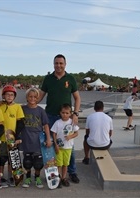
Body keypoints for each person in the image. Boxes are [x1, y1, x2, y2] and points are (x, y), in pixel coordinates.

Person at [38, 54, 81, 184]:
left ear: (65, 64)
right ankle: (53, 173)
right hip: (50, 117)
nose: (58, 65)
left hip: (67, 118)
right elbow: (40, 96)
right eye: (56, 63)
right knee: (50, 145)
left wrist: (75, 113)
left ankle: (72, 172)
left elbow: (77, 98)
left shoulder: (71, 79)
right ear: (53, 64)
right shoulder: (48, 79)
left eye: (61, 63)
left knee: (69, 147)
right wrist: (31, 105)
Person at [21, 88, 51, 189]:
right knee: (27, 162)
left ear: (38, 98)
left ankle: (37, 177)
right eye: (30, 96)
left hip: (38, 140)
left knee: (38, 163)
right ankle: (28, 177)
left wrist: (48, 138)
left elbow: (46, 125)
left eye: (35, 97)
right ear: (27, 97)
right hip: (26, 139)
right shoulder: (22, 109)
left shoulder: (41, 111)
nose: (32, 98)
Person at [0, 85, 25, 187]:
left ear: (14, 96)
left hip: (12, 139)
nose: (9, 96)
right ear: (3, 96)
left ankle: (10, 177)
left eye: (11, 95)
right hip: (1, 138)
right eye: (7, 94)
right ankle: (0, 177)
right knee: (2, 159)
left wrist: (17, 137)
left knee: (11, 160)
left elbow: (20, 123)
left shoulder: (17, 107)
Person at [51, 103, 79, 188]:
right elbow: (54, 134)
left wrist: (70, 136)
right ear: (60, 113)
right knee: (59, 164)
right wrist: (55, 144)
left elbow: (76, 133)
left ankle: (64, 178)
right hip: (59, 147)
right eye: (63, 113)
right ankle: (58, 178)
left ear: (70, 113)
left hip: (68, 147)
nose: (65, 115)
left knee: (65, 164)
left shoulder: (72, 122)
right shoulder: (57, 123)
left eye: (67, 113)